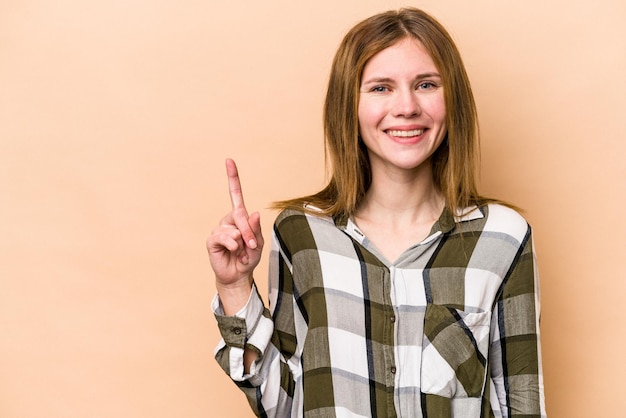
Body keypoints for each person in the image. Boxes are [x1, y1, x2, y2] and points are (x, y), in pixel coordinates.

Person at [207, 7, 546, 418]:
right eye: (381, 88)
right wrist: (235, 288)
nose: (406, 107)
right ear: (348, 105)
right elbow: (284, 406)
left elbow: (521, 403)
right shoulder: (302, 234)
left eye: (425, 84)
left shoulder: (502, 238)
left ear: (451, 97)